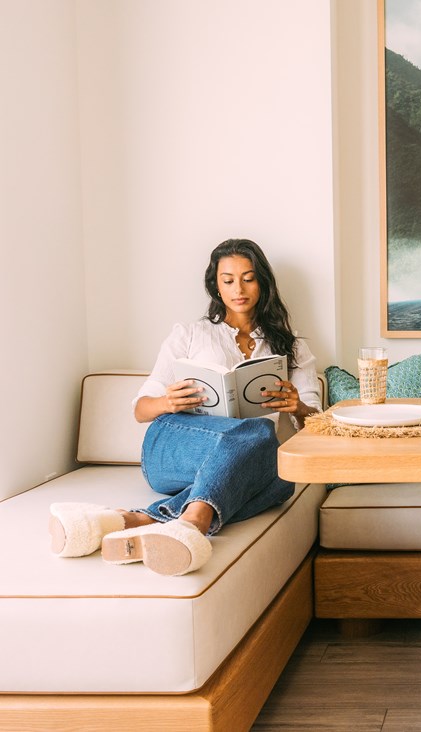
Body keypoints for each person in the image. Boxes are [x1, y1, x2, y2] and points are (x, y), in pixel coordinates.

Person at [48, 238, 321, 576]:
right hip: (173, 447)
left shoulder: (291, 346)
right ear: (216, 286)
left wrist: (297, 408)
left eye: (249, 278)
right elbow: (140, 410)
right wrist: (167, 401)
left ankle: (139, 519)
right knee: (261, 434)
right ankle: (192, 523)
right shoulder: (189, 335)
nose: (239, 288)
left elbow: (317, 424)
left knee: (282, 480)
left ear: (263, 283)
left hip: (236, 461)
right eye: (228, 279)